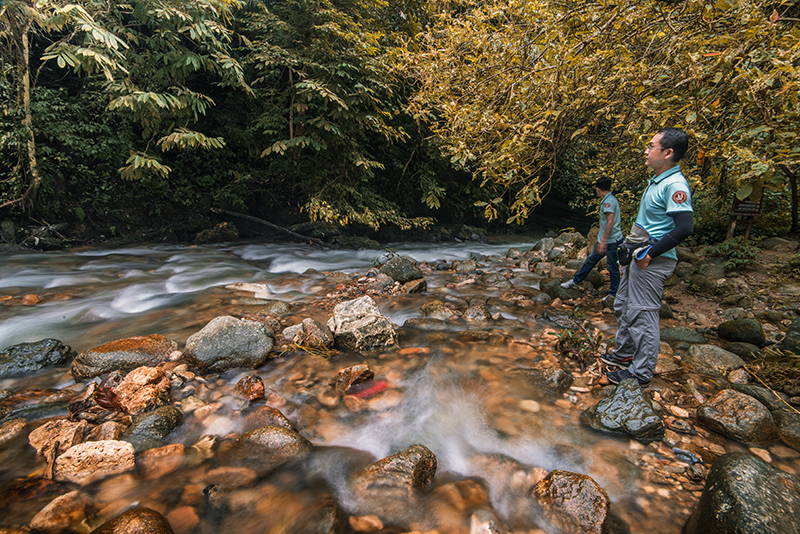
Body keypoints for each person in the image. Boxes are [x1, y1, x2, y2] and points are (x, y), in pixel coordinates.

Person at [601, 127, 694, 386]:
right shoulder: (658, 180)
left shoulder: (675, 185)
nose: (646, 150)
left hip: (651, 260)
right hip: (638, 256)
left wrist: (649, 255)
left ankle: (640, 374)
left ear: (667, 152)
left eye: (651, 146)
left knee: (643, 314)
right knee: (623, 305)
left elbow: (685, 226)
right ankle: (624, 354)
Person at [561, 176, 623, 306]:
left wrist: (603, 242)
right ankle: (575, 282)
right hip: (606, 240)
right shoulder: (610, 200)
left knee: (612, 268)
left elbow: (610, 222)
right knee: (590, 261)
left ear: (598, 189)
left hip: (611, 242)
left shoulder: (609, 202)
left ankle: (614, 294)